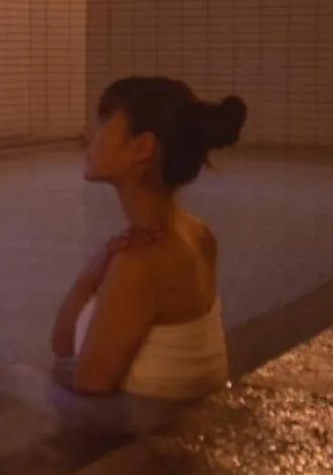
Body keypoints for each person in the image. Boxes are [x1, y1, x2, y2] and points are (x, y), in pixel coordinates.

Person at [49, 77, 248, 399]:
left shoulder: (141, 264)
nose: (90, 137)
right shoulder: (198, 234)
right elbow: (62, 346)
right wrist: (92, 272)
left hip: (135, 434)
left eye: (103, 124)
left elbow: (89, 388)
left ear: (142, 148)